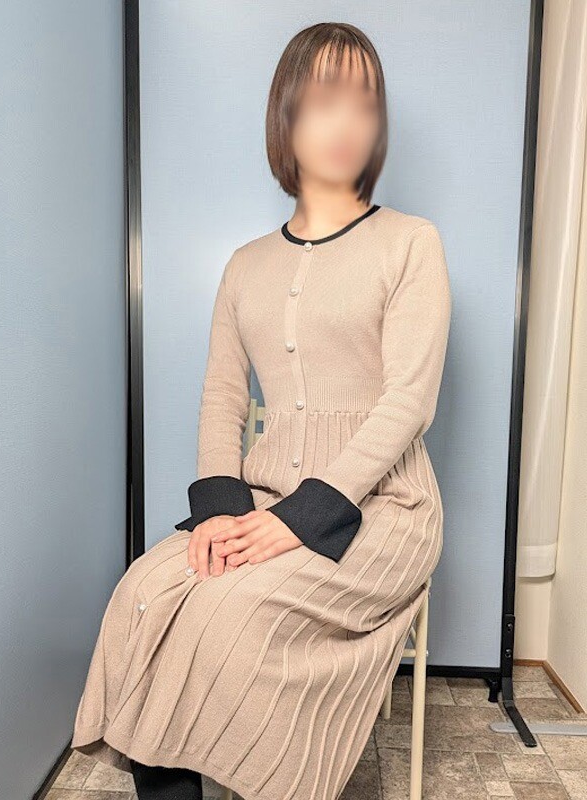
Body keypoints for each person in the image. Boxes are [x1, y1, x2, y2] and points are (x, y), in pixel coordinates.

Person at [71, 21, 452, 800]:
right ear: (287, 114)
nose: (347, 123)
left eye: (365, 103)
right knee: (142, 592)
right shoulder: (245, 265)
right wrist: (221, 511)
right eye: (325, 100)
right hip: (263, 494)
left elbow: (408, 400)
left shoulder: (411, 243)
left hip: (386, 509)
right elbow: (222, 394)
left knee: (235, 613)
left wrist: (298, 520)